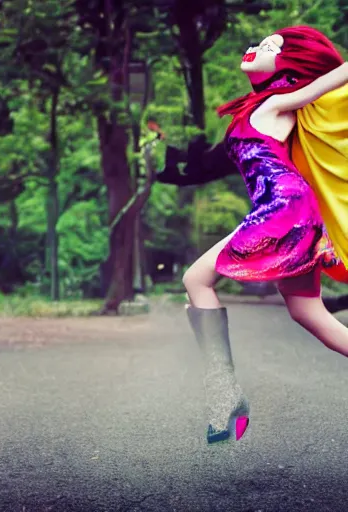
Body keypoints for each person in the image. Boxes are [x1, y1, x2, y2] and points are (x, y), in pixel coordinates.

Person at [183, 26, 348, 444]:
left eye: (271, 47)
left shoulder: (279, 103)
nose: (256, 47)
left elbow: (338, 74)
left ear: (288, 65)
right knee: (308, 314)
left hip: (283, 209)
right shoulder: (261, 108)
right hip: (286, 211)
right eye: (260, 42)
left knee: (195, 279)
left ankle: (224, 396)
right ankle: (225, 397)